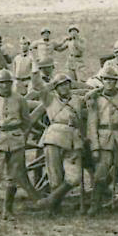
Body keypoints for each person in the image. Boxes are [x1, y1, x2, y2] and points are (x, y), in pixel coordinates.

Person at [0, 69, 32, 219]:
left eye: (8, 83)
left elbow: (27, 122)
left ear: (11, 84)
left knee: (12, 177)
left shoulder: (20, 99)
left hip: (16, 140)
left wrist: (21, 136)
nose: (5, 86)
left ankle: (7, 211)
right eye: (1, 83)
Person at [86, 62, 118, 214]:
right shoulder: (96, 99)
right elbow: (92, 125)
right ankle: (95, 205)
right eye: (106, 80)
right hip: (104, 140)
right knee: (100, 174)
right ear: (102, 81)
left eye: (112, 80)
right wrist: (94, 147)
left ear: (116, 81)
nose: (109, 83)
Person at [36, 73, 84, 216]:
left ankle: (50, 200)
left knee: (74, 178)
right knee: (55, 176)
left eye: (66, 84)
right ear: (55, 88)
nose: (64, 87)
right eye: (60, 85)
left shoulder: (78, 100)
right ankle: (54, 209)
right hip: (54, 138)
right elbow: (39, 86)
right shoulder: (49, 99)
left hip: (74, 140)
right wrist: (51, 83)